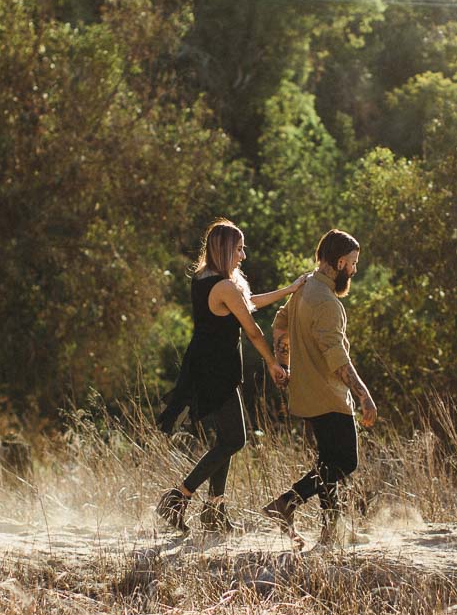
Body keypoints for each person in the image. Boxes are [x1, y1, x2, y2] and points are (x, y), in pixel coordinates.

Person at [155, 219, 304, 534]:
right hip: (215, 370)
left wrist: (289, 290)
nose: (243, 255)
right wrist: (273, 364)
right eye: (238, 249)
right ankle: (178, 498)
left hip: (210, 365)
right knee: (235, 439)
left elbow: (248, 303)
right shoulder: (224, 286)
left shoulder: (205, 279)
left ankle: (214, 510)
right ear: (223, 250)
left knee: (227, 439)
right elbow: (253, 330)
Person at [261, 229, 377, 547]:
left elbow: (280, 323)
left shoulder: (305, 286)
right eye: (353, 263)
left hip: (306, 392)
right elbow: (336, 358)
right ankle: (286, 503)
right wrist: (364, 394)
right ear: (340, 263)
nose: (354, 269)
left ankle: (332, 531)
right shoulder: (327, 302)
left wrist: (283, 364)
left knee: (327, 463)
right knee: (346, 462)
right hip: (328, 395)